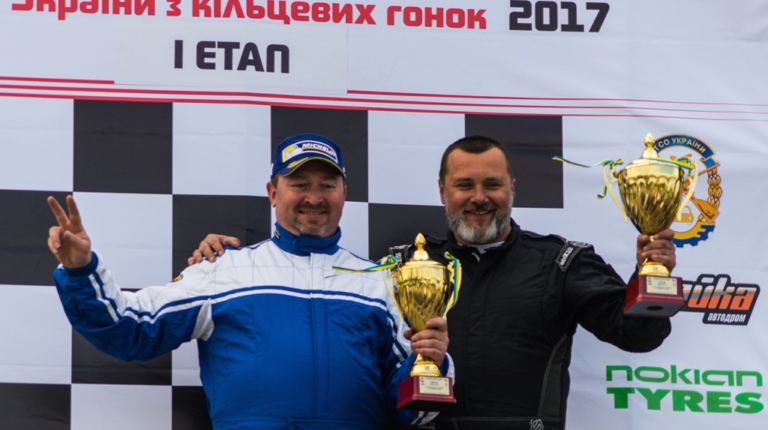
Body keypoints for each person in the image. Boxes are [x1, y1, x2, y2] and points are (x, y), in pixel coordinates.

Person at [189, 135, 676, 430]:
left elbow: (639, 335)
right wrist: (221, 259)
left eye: (492, 185)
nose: (479, 197)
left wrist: (650, 276)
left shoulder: (562, 261)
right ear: (443, 191)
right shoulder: (399, 266)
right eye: (464, 185)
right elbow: (316, 298)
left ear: (512, 189)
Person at [47, 133, 453, 430]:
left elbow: (413, 411)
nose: (314, 197)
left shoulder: (381, 282)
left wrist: (433, 361)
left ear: (344, 193)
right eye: (299, 185)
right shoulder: (222, 269)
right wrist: (81, 271)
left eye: (327, 186)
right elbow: (129, 330)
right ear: (272, 192)